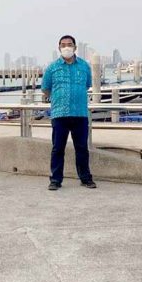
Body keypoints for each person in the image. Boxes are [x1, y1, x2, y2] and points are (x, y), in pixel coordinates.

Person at [41, 35, 96, 191]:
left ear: (75, 47)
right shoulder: (52, 68)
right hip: (59, 114)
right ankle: (55, 180)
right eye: (63, 45)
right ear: (59, 48)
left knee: (82, 148)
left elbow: (87, 85)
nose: (67, 47)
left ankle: (85, 178)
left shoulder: (84, 66)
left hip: (80, 113)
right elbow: (45, 88)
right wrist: (58, 97)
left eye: (69, 44)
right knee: (58, 148)